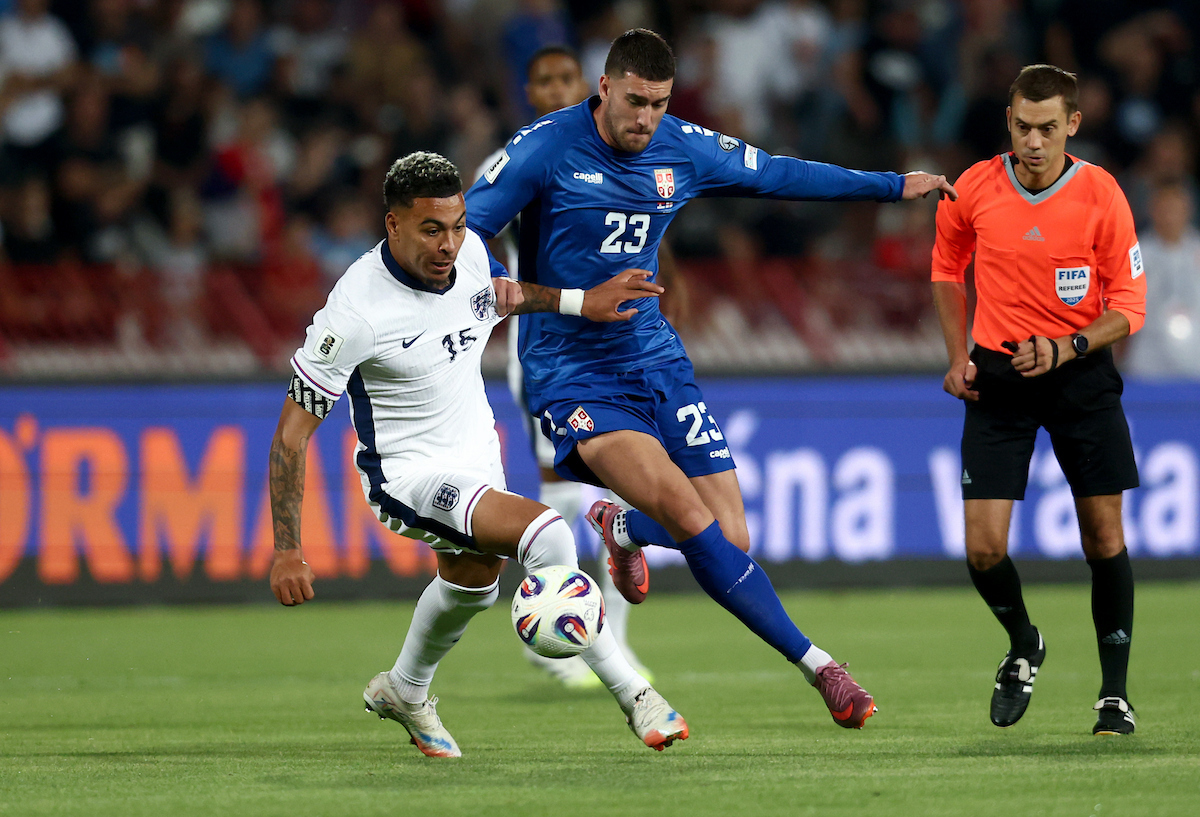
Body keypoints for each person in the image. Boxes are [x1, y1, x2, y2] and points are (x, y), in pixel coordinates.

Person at [466, 28, 955, 730]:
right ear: (604, 88)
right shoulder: (544, 147)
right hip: (572, 373)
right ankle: (822, 667)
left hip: (654, 357)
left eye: (658, 104)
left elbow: (780, 174)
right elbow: (468, 231)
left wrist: (890, 186)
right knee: (692, 517)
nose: (645, 118)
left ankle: (621, 527)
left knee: (731, 532)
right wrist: (536, 292)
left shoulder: (682, 147)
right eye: (634, 101)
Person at [268, 151, 689, 756]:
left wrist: (580, 301)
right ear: (393, 225)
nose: (449, 244)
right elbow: (291, 436)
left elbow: (500, 296)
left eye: (458, 225)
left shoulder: (466, 254)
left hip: (476, 459)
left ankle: (405, 689)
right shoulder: (355, 312)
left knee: (473, 583)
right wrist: (288, 549)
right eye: (431, 230)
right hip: (406, 476)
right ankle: (636, 696)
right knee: (548, 534)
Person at [931, 65, 1146, 735]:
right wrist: (957, 355)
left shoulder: (1102, 194)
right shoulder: (974, 186)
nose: (1033, 141)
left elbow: (1130, 306)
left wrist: (1067, 347)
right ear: (1008, 120)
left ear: (1072, 125)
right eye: (1023, 126)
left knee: (1103, 535)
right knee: (982, 549)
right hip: (999, 376)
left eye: (1048, 128)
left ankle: (1114, 695)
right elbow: (946, 267)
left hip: (1080, 375)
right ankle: (1024, 642)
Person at [476, 44, 678, 689]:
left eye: (567, 77)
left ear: (591, 84)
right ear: (530, 91)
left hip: (622, 345)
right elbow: (475, 242)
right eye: (545, 80)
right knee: (559, 484)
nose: (557, 88)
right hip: (550, 348)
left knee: (625, 493)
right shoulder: (524, 156)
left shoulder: (630, 153)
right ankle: (555, 637)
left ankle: (614, 641)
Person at [1125, 183, 1200, 379]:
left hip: (1195, 354)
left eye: (1175, 209)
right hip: (1149, 353)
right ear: (1152, 210)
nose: (1170, 216)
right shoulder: (1136, 252)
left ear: (1188, 209)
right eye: (1164, 209)